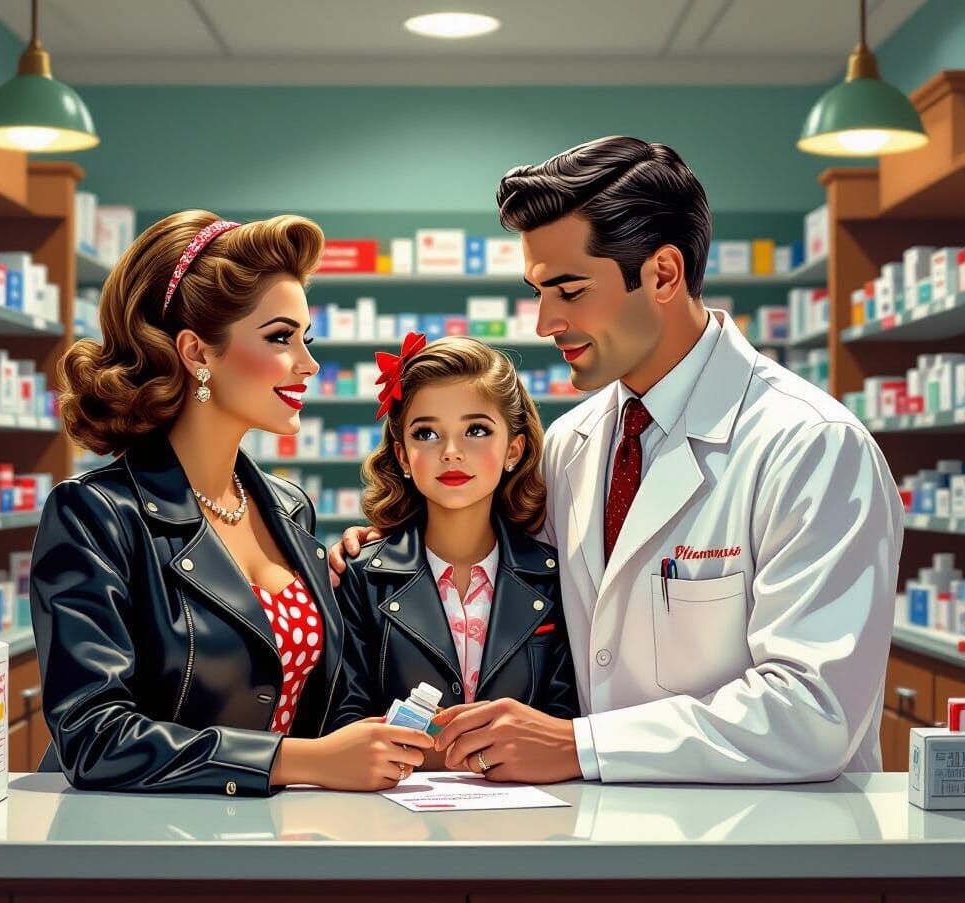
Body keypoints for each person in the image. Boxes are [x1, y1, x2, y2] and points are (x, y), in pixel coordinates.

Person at [330, 136, 904, 785]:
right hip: (600, 838)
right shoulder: (573, 445)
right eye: (538, 291)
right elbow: (502, 558)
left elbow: (814, 713)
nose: (545, 321)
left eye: (569, 291)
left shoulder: (811, 447)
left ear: (662, 274)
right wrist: (383, 547)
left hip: (765, 852)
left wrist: (581, 746)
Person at [30, 210, 432, 796]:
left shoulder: (290, 510)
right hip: (137, 850)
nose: (308, 363)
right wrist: (303, 761)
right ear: (197, 351)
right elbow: (94, 737)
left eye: (305, 338)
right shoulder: (95, 516)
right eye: (279, 337)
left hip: (275, 840)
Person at [328, 336, 578, 773]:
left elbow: (565, 721)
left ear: (513, 450)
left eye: (476, 429)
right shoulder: (359, 576)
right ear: (403, 456)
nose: (451, 452)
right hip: (391, 823)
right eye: (426, 433)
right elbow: (344, 727)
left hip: (531, 821)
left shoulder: (554, 576)